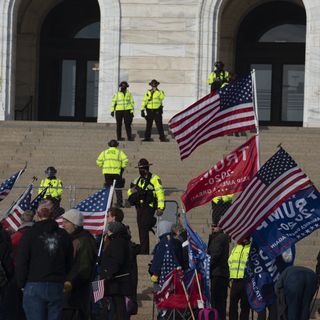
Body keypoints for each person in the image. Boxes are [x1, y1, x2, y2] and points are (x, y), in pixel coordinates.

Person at [15, 202, 73, 320]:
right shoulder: (63, 235)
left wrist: (21, 283)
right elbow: (69, 260)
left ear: (37, 215)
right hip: (56, 284)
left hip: (34, 284)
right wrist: (63, 277)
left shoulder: (29, 234)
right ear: (52, 215)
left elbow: (22, 261)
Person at [62, 209, 97, 320]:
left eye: (66, 222)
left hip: (77, 292)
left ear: (75, 224)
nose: (63, 225)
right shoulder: (70, 239)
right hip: (66, 291)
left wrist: (71, 282)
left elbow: (85, 267)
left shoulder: (84, 240)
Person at [127, 158, 165, 254]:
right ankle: (144, 250)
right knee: (141, 228)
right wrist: (132, 191)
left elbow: (160, 193)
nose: (142, 170)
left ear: (147, 168)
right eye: (140, 168)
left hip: (150, 206)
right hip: (139, 207)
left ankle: (144, 250)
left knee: (144, 225)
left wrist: (161, 207)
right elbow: (129, 192)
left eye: (144, 168)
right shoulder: (136, 181)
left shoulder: (155, 178)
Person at [100, 222, 132, 320]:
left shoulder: (118, 241)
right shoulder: (116, 240)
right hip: (116, 279)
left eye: (109, 229)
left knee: (118, 305)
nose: (107, 231)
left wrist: (109, 273)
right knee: (116, 305)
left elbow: (117, 259)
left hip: (117, 280)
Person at [207, 212, 230, 320]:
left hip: (218, 273)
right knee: (219, 301)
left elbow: (214, 256)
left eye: (215, 226)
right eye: (212, 226)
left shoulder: (219, 238)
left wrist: (206, 266)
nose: (213, 228)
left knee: (217, 301)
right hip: (220, 273)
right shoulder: (218, 238)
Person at [96, 139, 129, 208]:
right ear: (117, 145)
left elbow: (98, 161)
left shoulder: (105, 152)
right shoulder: (119, 152)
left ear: (109, 145)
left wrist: (103, 166)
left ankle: (108, 204)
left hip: (107, 173)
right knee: (118, 188)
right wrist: (122, 167)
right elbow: (125, 160)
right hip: (117, 172)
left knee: (108, 188)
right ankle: (119, 203)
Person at [228, 238, 251, 320]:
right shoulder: (236, 248)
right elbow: (230, 261)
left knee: (245, 305)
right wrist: (230, 275)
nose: (244, 238)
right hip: (235, 280)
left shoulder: (251, 249)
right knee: (233, 305)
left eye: (246, 236)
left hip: (246, 281)